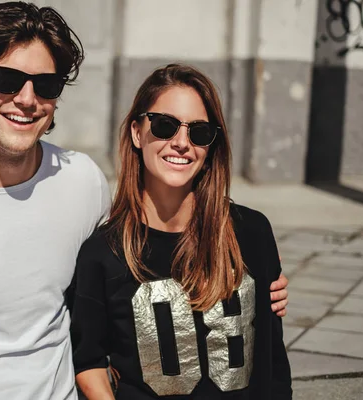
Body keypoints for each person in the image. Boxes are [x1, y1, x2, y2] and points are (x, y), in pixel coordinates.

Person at [0, 2, 289, 399]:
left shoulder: (80, 180)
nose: (26, 99)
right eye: (6, 79)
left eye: (44, 85)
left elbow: (128, 272)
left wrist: (249, 286)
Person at [70, 64, 292, 399]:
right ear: (136, 132)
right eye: (165, 126)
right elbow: (88, 362)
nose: (181, 143)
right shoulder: (104, 253)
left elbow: (272, 361)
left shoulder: (251, 233)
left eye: (199, 132)